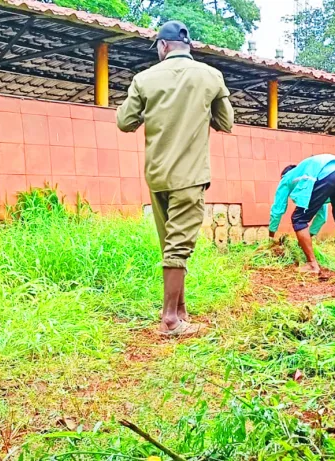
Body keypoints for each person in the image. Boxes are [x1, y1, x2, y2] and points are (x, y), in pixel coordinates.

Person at [116, 20, 234, 337]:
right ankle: (170, 319)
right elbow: (226, 122)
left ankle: (179, 309)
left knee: (170, 244)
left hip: (157, 176)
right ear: (187, 45)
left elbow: (124, 122)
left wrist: (151, 110)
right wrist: (200, 110)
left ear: (163, 46)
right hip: (190, 176)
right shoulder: (211, 77)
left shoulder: (144, 79)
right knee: (178, 248)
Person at [268, 154, 335, 274]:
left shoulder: (287, 177)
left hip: (329, 174)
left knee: (298, 219)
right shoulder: (309, 173)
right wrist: (308, 236)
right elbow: (322, 216)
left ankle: (311, 264)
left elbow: (277, 209)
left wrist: (271, 236)